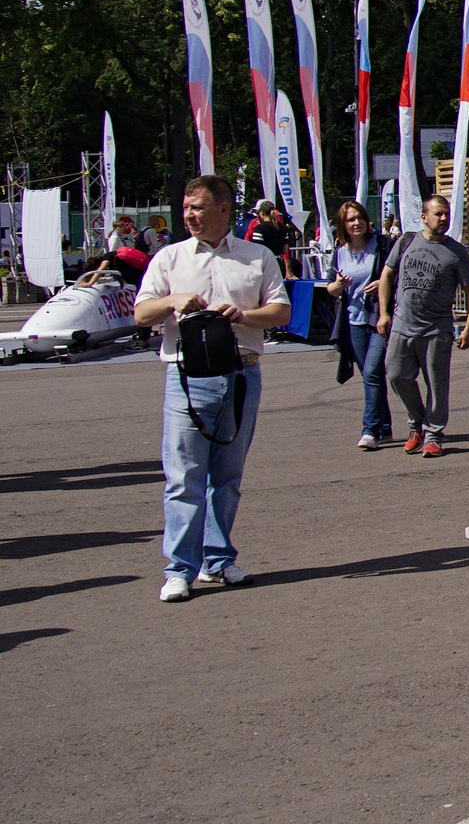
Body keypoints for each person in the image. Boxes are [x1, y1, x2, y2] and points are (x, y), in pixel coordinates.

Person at [134, 175, 291, 602]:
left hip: (242, 373)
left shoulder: (256, 256)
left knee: (227, 476)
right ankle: (179, 569)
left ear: (224, 210)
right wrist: (172, 302)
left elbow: (280, 311)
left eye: (198, 207)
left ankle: (217, 561)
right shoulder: (169, 258)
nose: (189, 215)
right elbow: (141, 312)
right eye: (186, 207)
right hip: (188, 377)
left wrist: (242, 315)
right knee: (184, 477)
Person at [376, 193, 469, 457]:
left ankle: (433, 435)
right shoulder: (406, 241)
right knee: (396, 376)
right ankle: (417, 424)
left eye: (446, 214)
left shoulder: (456, 252)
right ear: (424, 217)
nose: (443, 218)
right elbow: (387, 274)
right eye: (438, 214)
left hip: (436, 329)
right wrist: (384, 313)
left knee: (436, 384)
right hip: (402, 323)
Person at [322, 199, 392, 449]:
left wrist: (382, 284)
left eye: (359, 217)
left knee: (373, 372)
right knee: (370, 376)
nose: (356, 223)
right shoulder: (340, 252)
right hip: (354, 320)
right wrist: (338, 286)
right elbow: (329, 288)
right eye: (350, 219)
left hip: (379, 319)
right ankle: (384, 426)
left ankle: (370, 430)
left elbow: (395, 273)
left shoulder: (382, 245)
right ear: (343, 225)